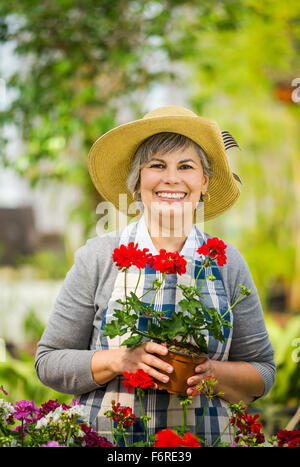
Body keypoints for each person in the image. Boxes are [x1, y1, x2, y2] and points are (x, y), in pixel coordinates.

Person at [35, 106, 276, 446]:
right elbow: (48, 362)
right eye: (157, 165)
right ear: (137, 182)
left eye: (186, 166)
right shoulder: (99, 257)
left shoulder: (227, 263)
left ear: (204, 183)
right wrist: (120, 360)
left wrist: (211, 374)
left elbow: (263, 371)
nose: (172, 178)